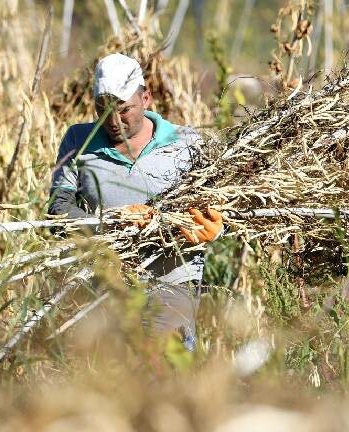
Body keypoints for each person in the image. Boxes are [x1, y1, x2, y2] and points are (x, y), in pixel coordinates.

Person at [47, 53, 221, 351]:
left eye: (124, 110)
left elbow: (223, 208)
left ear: (147, 98)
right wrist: (113, 223)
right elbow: (58, 211)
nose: (113, 121)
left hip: (171, 284)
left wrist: (215, 228)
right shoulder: (78, 141)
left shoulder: (188, 144)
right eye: (102, 110)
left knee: (165, 377)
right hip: (105, 287)